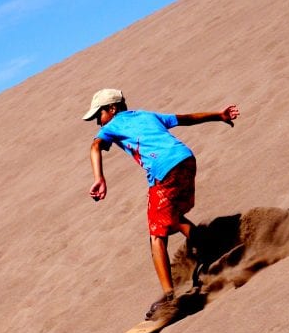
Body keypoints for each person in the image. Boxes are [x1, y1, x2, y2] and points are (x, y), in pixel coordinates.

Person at [84, 88, 239, 319]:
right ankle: (211, 248)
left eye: (99, 115)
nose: (98, 121)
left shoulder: (112, 126)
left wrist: (99, 178)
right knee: (172, 217)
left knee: (156, 235)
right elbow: (184, 119)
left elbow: (95, 146)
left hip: (164, 171)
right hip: (186, 160)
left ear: (112, 109)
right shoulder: (146, 115)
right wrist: (219, 115)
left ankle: (169, 297)